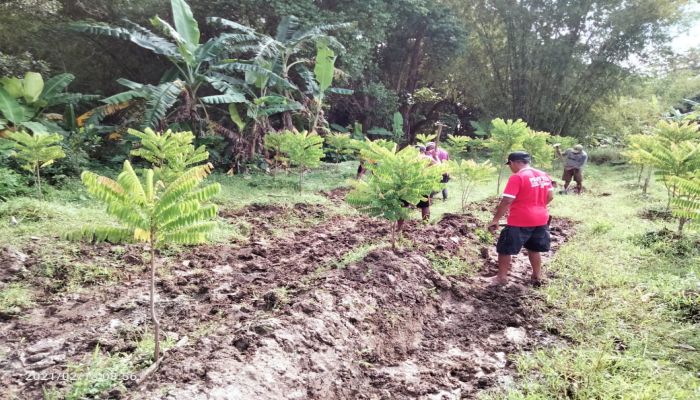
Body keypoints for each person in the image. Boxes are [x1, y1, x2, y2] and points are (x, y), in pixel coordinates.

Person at [487, 151, 554, 286]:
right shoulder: (544, 175)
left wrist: (495, 220)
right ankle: (536, 276)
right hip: (541, 219)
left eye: (510, 165)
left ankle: (501, 278)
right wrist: (538, 206)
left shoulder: (518, 177)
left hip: (520, 220)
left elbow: (507, 200)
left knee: (505, 248)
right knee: (534, 249)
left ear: (513, 162)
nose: (510, 168)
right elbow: (550, 196)